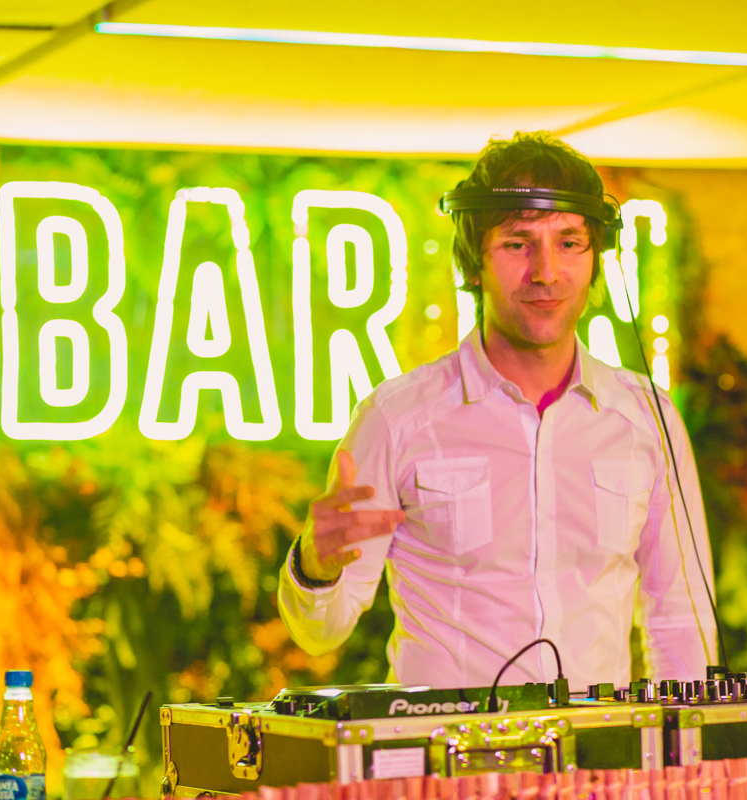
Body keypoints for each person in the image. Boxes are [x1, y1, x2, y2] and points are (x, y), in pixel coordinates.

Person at [278, 131, 716, 690]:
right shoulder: (396, 419)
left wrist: (680, 739)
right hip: (444, 744)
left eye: (569, 243)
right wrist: (314, 565)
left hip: (598, 743)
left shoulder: (647, 418)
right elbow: (320, 633)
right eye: (517, 244)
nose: (546, 272)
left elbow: (680, 620)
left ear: (597, 261)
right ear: (473, 264)